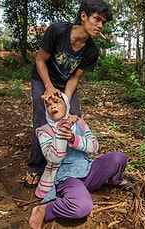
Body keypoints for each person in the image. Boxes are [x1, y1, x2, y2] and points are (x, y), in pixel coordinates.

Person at [25, 0, 113, 187]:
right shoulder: (58, 31)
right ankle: (36, 168)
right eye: (97, 19)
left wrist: (65, 99)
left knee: (74, 118)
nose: (100, 26)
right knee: (42, 119)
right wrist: (49, 87)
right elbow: (40, 60)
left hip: (65, 83)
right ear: (83, 16)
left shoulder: (92, 51)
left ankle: (69, 165)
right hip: (43, 78)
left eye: (103, 22)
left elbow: (74, 79)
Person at [28, 92, 130, 229]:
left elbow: (94, 146)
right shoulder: (44, 131)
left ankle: (113, 180)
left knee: (119, 158)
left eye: (57, 102)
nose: (52, 106)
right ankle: (45, 209)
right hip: (67, 177)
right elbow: (53, 157)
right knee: (81, 207)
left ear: (67, 104)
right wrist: (64, 128)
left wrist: (73, 139)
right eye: (48, 105)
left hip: (88, 170)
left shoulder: (80, 123)